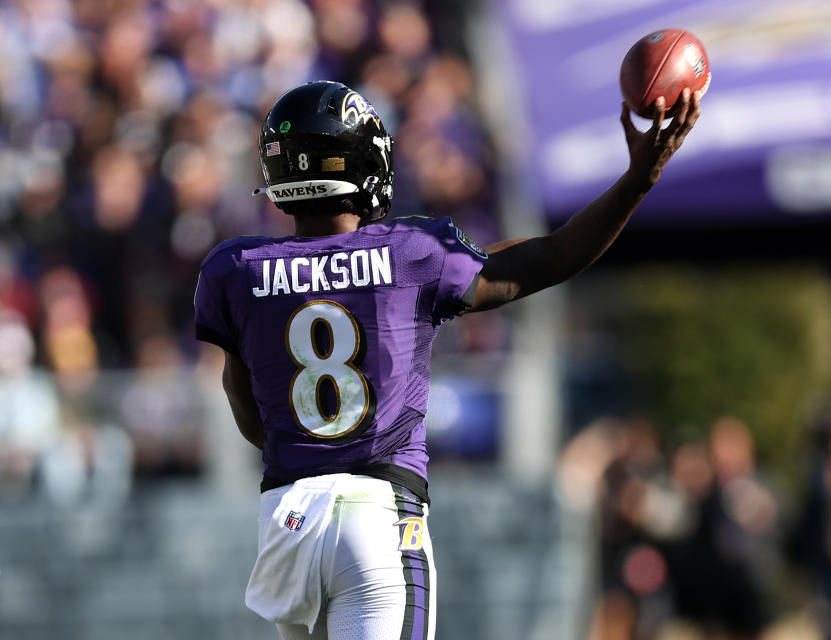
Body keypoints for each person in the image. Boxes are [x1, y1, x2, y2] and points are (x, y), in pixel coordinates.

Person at [194, 80, 701, 640]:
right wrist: (637, 180)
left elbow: (243, 403)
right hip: (378, 513)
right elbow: (553, 255)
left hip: (287, 521)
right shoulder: (408, 252)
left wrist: (308, 455)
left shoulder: (234, 269)